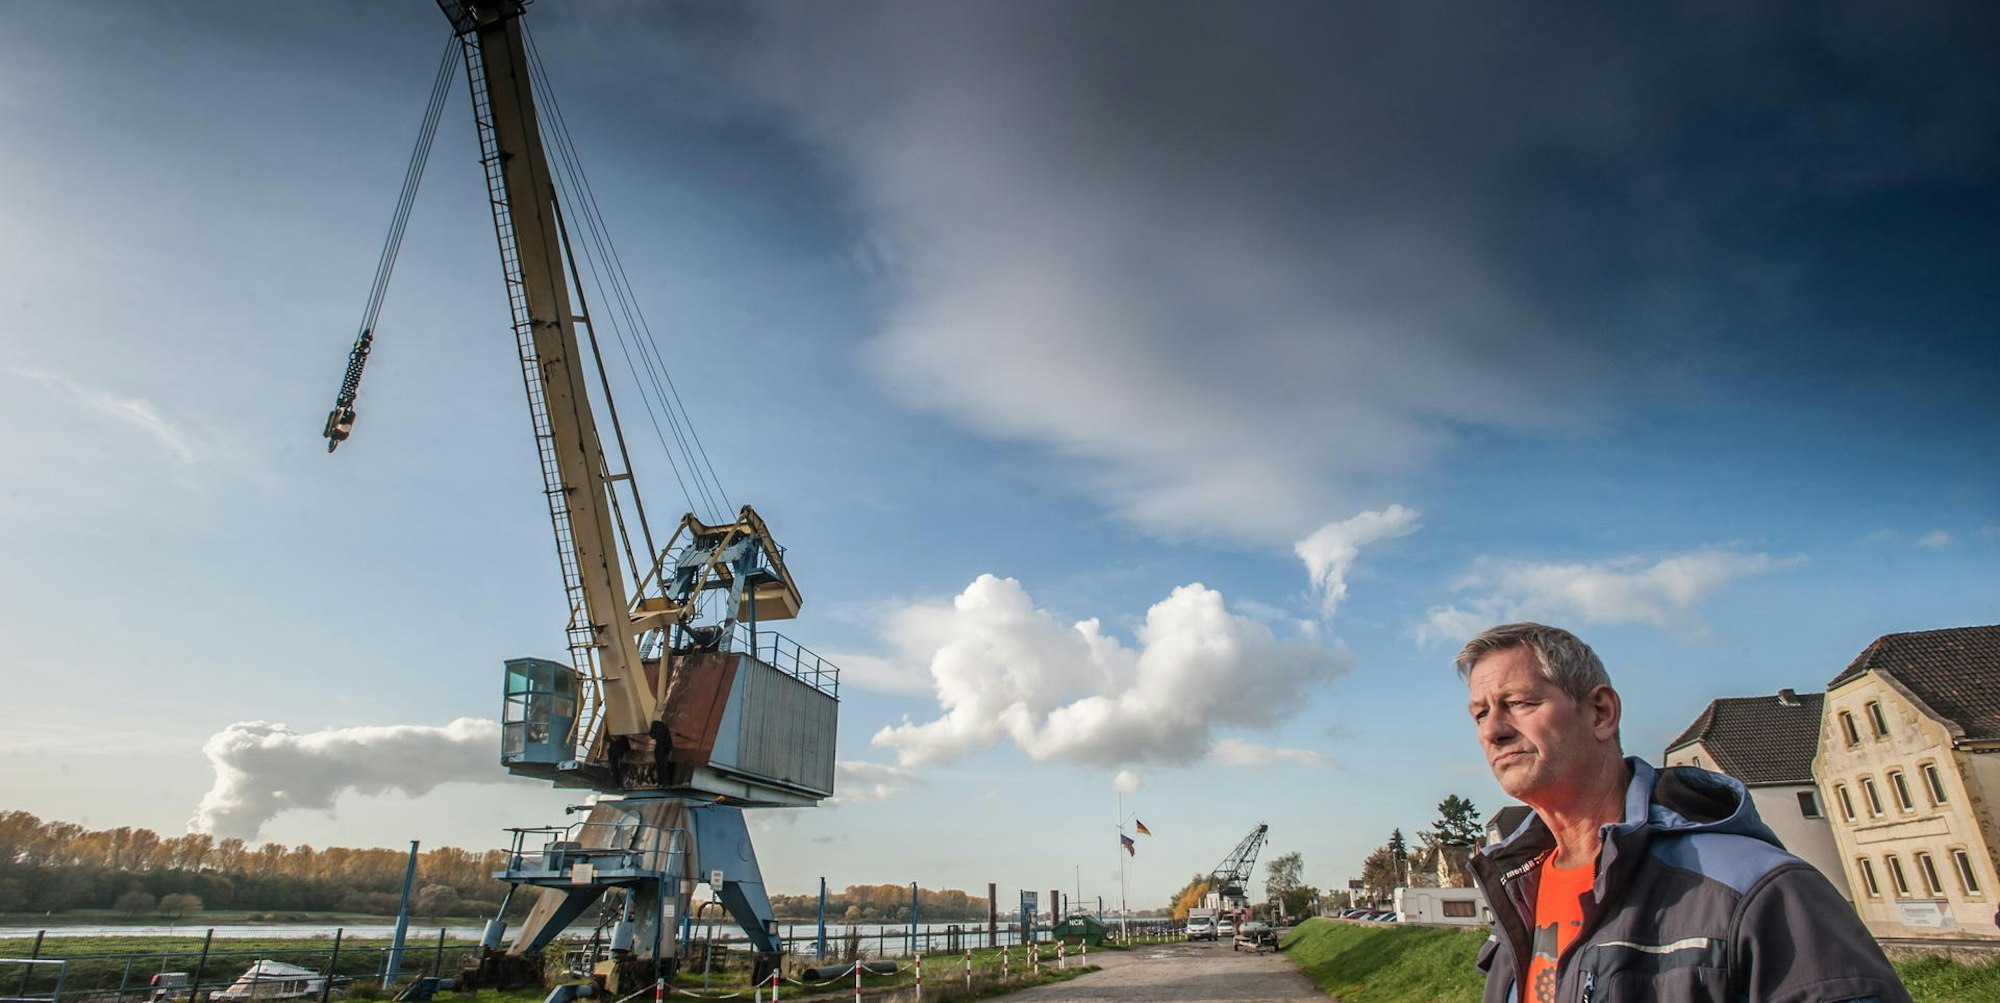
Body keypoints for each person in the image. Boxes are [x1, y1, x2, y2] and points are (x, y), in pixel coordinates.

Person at [1458, 622, 1909, 1003]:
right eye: (1480, 714)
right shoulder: (1518, 894)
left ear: (1600, 712)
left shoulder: (1755, 889)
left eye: (1518, 703)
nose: (1493, 730)